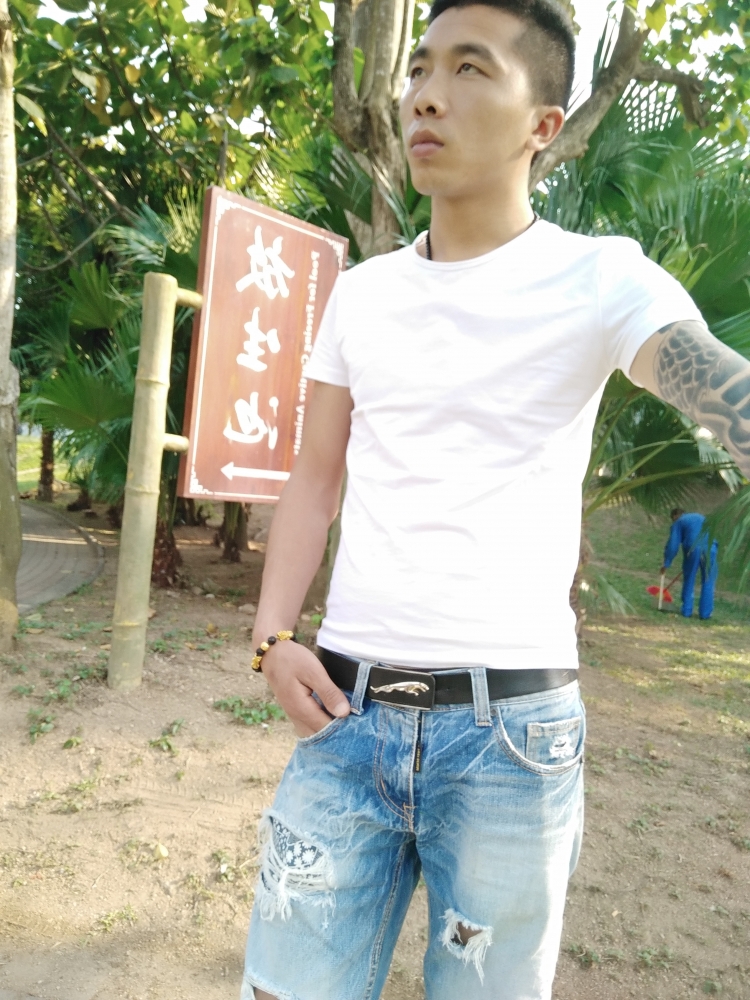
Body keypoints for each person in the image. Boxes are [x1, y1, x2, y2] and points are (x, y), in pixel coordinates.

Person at [240, 1, 750, 997]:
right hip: (344, 718)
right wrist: (271, 638)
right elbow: (315, 476)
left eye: (470, 69)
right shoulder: (364, 293)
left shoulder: (599, 277)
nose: (426, 94)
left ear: (543, 124)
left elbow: (712, 379)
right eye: (420, 67)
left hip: (510, 740)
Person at [662, 508, 719, 619]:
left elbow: (673, 545)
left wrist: (666, 563)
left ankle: (687, 610)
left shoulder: (678, 522)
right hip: (711, 548)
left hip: (693, 548)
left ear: (675, 516)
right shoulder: (701, 517)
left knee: (689, 578)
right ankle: (705, 614)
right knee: (709, 580)